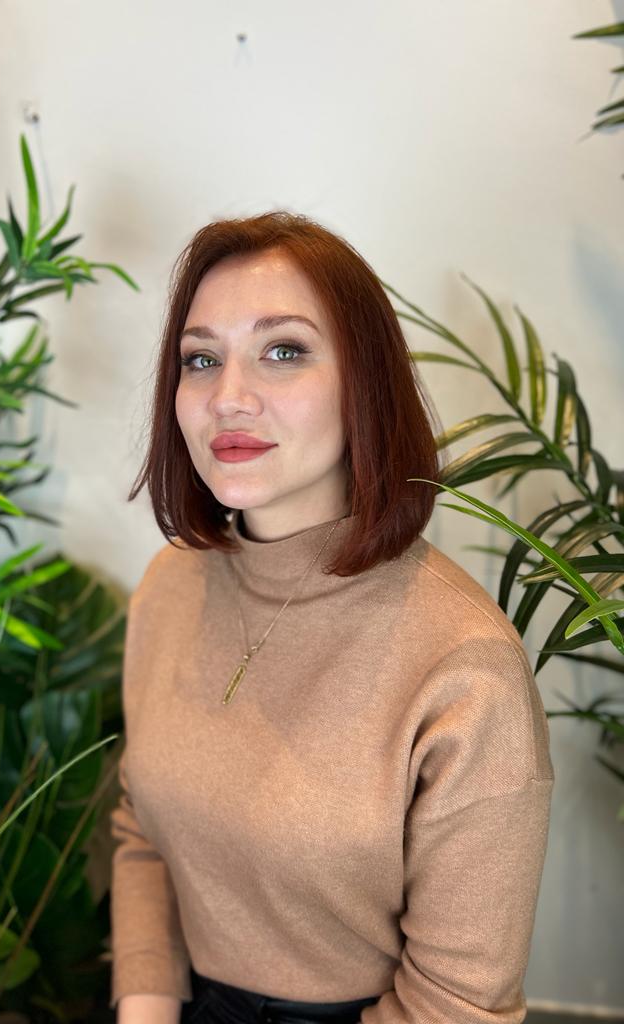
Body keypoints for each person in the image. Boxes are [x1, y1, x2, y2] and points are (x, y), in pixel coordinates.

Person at [110, 212, 554, 1024]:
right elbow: (143, 831)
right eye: (201, 359)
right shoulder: (169, 588)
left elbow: (459, 1003)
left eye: (283, 350)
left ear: (366, 381)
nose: (228, 398)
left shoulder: (464, 663)